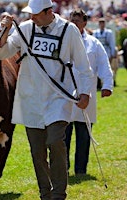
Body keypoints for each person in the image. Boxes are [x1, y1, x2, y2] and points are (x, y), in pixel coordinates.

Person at [0, 0, 95, 199]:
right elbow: (1, 53)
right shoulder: (25, 28)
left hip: (58, 97)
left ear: (49, 11)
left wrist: (85, 93)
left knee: (55, 141)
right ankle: (45, 193)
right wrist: (6, 30)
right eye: (30, 13)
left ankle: (59, 193)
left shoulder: (69, 30)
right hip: (31, 98)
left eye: (36, 14)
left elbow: (84, 67)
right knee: (37, 151)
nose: (32, 17)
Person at [66, 9, 113, 176]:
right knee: (62, 136)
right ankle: (62, 169)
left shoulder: (94, 43)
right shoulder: (63, 42)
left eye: (77, 21)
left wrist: (107, 85)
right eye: (71, 20)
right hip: (64, 95)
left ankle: (80, 170)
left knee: (84, 135)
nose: (74, 24)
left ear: (85, 23)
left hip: (87, 94)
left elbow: (103, 65)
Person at [93, 18, 117, 87]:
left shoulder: (108, 32)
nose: (101, 25)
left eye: (103, 23)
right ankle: (98, 83)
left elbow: (112, 43)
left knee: (108, 68)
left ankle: (111, 82)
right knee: (97, 67)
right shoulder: (95, 33)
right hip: (98, 52)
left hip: (107, 51)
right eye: (100, 23)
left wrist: (112, 54)